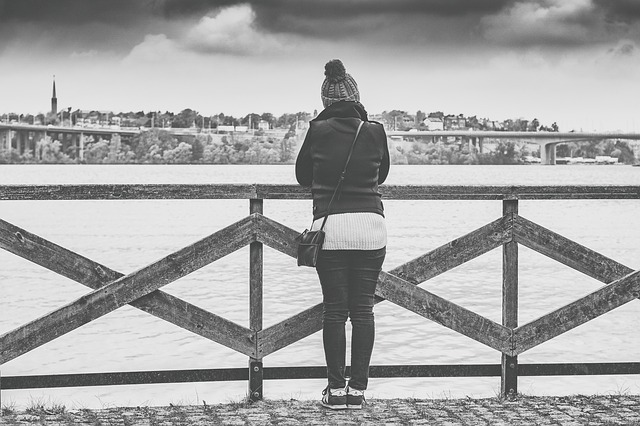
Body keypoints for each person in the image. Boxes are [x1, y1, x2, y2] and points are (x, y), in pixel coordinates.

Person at [295, 59, 390, 410]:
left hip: (331, 229)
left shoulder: (317, 130)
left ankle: (336, 392)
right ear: (356, 96)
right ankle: (359, 392)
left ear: (325, 101)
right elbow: (381, 176)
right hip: (371, 228)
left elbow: (303, 177)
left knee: (335, 311)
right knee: (363, 310)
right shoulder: (375, 130)